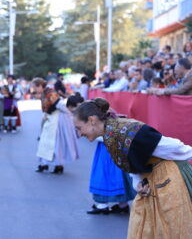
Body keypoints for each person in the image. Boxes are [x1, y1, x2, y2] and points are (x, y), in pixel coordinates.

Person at [73, 98, 192, 238]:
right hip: (154, 179)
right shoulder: (110, 133)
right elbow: (132, 164)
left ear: (92, 120)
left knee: (172, 229)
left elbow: (174, 146)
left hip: (170, 178)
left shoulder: (126, 131)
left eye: (79, 128)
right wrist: (138, 184)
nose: (79, 134)